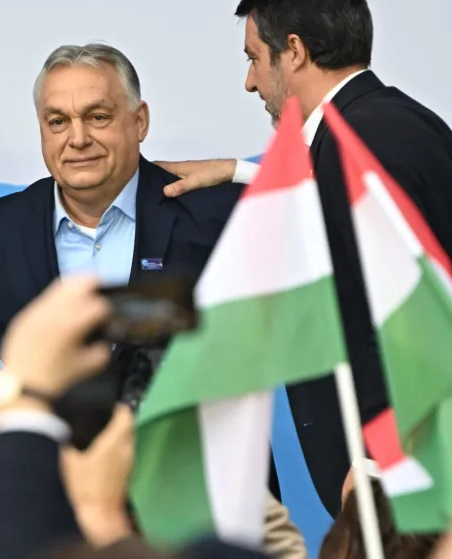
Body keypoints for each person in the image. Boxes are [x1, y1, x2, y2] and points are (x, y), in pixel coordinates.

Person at [153, 0, 452, 516]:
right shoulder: (382, 124)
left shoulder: (363, 141)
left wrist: (384, 468)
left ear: (293, 51)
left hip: (403, 491)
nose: (250, 82)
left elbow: (401, 313)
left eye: (253, 58)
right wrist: (239, 171)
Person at [0, 43, 242, 405]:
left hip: (198, 458)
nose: (78, 139)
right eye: (58, 122)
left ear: (139, 121)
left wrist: (243, 171)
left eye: (98, 117)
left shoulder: (217, 216)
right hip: (58, 461)